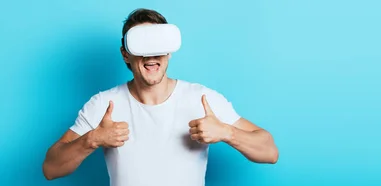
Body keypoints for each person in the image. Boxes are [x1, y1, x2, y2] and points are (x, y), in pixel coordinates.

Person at [42, 8, 278, 186]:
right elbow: (50, 168)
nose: (150, 55)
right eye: (141, 46)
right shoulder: (104, 105)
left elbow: (270, 151)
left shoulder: (202, 99)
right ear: (125, 54)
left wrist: (227, 133)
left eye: (157, 45)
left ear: (169, 50)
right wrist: (92, 139)